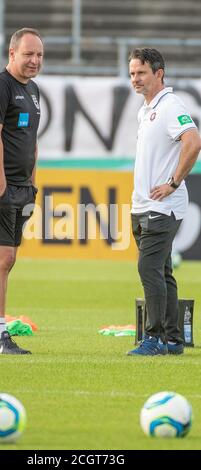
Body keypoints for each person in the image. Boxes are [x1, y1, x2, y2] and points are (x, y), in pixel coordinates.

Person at [0, 28, 43, 354]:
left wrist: (30, 181)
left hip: (21, 186)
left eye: (39, 55)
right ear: (12, 54)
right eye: (28, 54)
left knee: (7, 258)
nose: (35, 60)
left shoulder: (33, 91)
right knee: (0, 258)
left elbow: (31, 141)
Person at [127, 48, 201, 356]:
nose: (135, 79)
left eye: (141, 73)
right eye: (132, 73)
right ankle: (173, 339)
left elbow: (193, 141)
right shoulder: (146, 109)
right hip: (142, 205)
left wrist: (173, 182)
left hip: (163, 207)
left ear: (159, 73)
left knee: (148, 269)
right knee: (162, 271)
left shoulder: (170, 105)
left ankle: (153, 339)